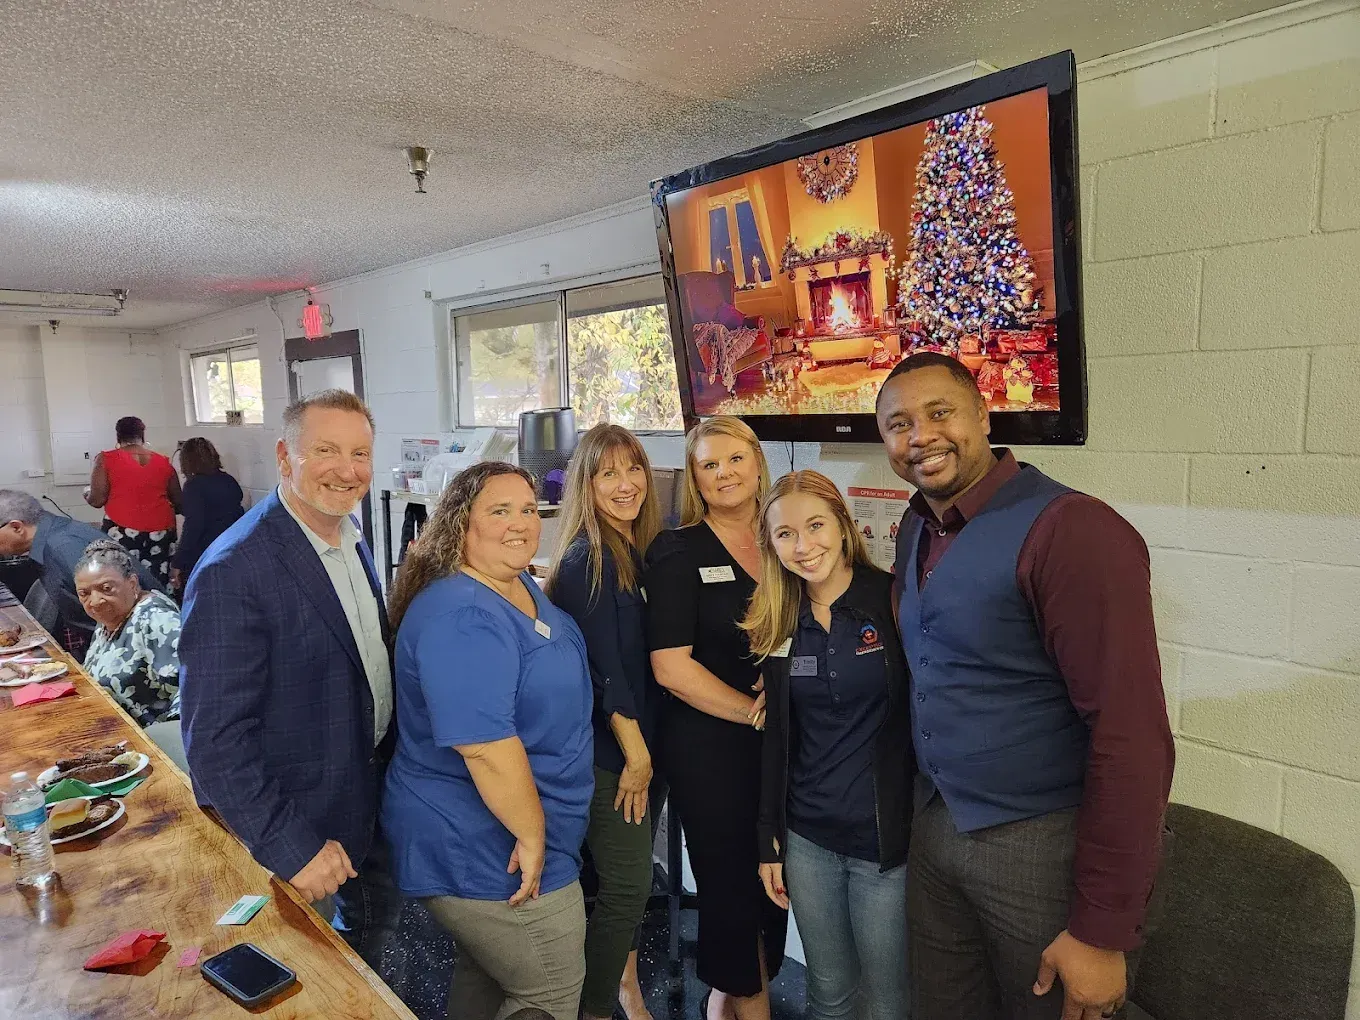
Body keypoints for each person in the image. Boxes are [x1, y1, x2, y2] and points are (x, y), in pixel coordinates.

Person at [875, 352, 1174, 1020]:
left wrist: (1103, 930)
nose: (920, 436)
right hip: (935, 830)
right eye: (898, 424)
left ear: (983, 415)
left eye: (940, 413)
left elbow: (1131, 736)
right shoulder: (916, 526)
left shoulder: (1072, 529)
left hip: (1039, 845)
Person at [179, 389, 402, 974]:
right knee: (306, 978)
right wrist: (290, 846)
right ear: (285, 457)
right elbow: (216, 743)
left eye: (360, 453)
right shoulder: (235, 569)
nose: (347, 470)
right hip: (299, 823)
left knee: (365, 952)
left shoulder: (351, 537)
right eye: (325, 450)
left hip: (364, 791)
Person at [382, 461, 594, 1020]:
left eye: (527, 509)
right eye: (499, 511)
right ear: (461, 526)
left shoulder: (515, 583)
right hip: (484, 845)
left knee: (493, 977)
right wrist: (532, 835)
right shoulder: (462, 616)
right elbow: (484, 746)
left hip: (520, 834)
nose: (520, 522)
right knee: (548, 990)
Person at [742, 471, 913, 1020]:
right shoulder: (777, 617)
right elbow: (777, 737)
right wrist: (770, 838)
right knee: (828, 992)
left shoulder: (891, 600)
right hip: (808, 836)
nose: (804, 545)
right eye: (785, 534)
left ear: (842, 525)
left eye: (815, 526)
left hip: (883, 841)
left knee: (889, 1001)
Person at [645, 416, 786, 1020]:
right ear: (695, 479)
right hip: (709, 749)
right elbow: (671, 668)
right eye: (708, 465)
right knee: (731, 892)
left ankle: (724, 1004)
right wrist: (752, 713)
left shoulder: (785, 539)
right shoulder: (677, 551)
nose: (723, 473)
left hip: (778, 748)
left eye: (734, 459)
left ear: (757, 465)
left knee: (775, 887)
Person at [545, 425, 663, 1020]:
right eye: (608, 473)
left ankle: (627, 987)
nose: (626, 485)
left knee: (628, 885)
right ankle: (589, 1007)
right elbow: (605, 669)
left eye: (634, 469)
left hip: (644, 748)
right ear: (585, 487)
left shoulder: (636, 551)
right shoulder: (586, 558)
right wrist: (637, 756)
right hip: (613, 755)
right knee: (625, 885)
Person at [0, 489, 161, 658]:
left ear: (17, 527)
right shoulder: (54, 534)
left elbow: (124, 612)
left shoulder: (62, 548)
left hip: (138, 649)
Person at [76, 539, 181, 728]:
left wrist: (170, 742)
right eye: (84, 593)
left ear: (132, 583)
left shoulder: (156, 619)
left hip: (152, 743)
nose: (95, 601)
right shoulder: (108, 619)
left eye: (106, 589)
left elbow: (191, 691)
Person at [85, 416, 181, 587]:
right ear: (142, 435)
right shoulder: (163, 461)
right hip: (161, 532)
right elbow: (179, 501)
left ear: (118, 436)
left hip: (123, 529)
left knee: (122, 582)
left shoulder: (106, 459)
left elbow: (97, 499)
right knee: (156, 582)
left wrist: (86, 493)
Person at [171, 437, 244, 590]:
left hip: (204, 553)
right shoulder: (229, 481)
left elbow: (193, 527)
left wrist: (178, 562)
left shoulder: (194, 486)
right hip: (231, 550)